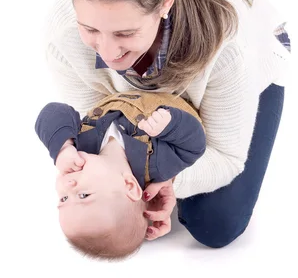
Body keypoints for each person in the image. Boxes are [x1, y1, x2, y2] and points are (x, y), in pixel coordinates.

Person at [42, 0, 291, 249]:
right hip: (157, 108)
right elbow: (98, 114)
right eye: (90, 30)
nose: (107, 52)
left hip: (248, 66)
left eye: (124, 34)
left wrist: (170, 181)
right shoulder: (64, 33)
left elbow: (226, 156)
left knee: (216, 223)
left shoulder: (232, 49)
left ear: (165, 3)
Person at [34, 90, 206, 259]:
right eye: (83, 195)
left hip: (129, 84)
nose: (68, 185)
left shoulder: (81, 147)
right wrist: (170, 125)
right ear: (129, 186)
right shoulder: (156, 165)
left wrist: (63, 147)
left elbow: (54, 111)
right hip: (174, 92)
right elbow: (194, 146)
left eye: (63, 198)